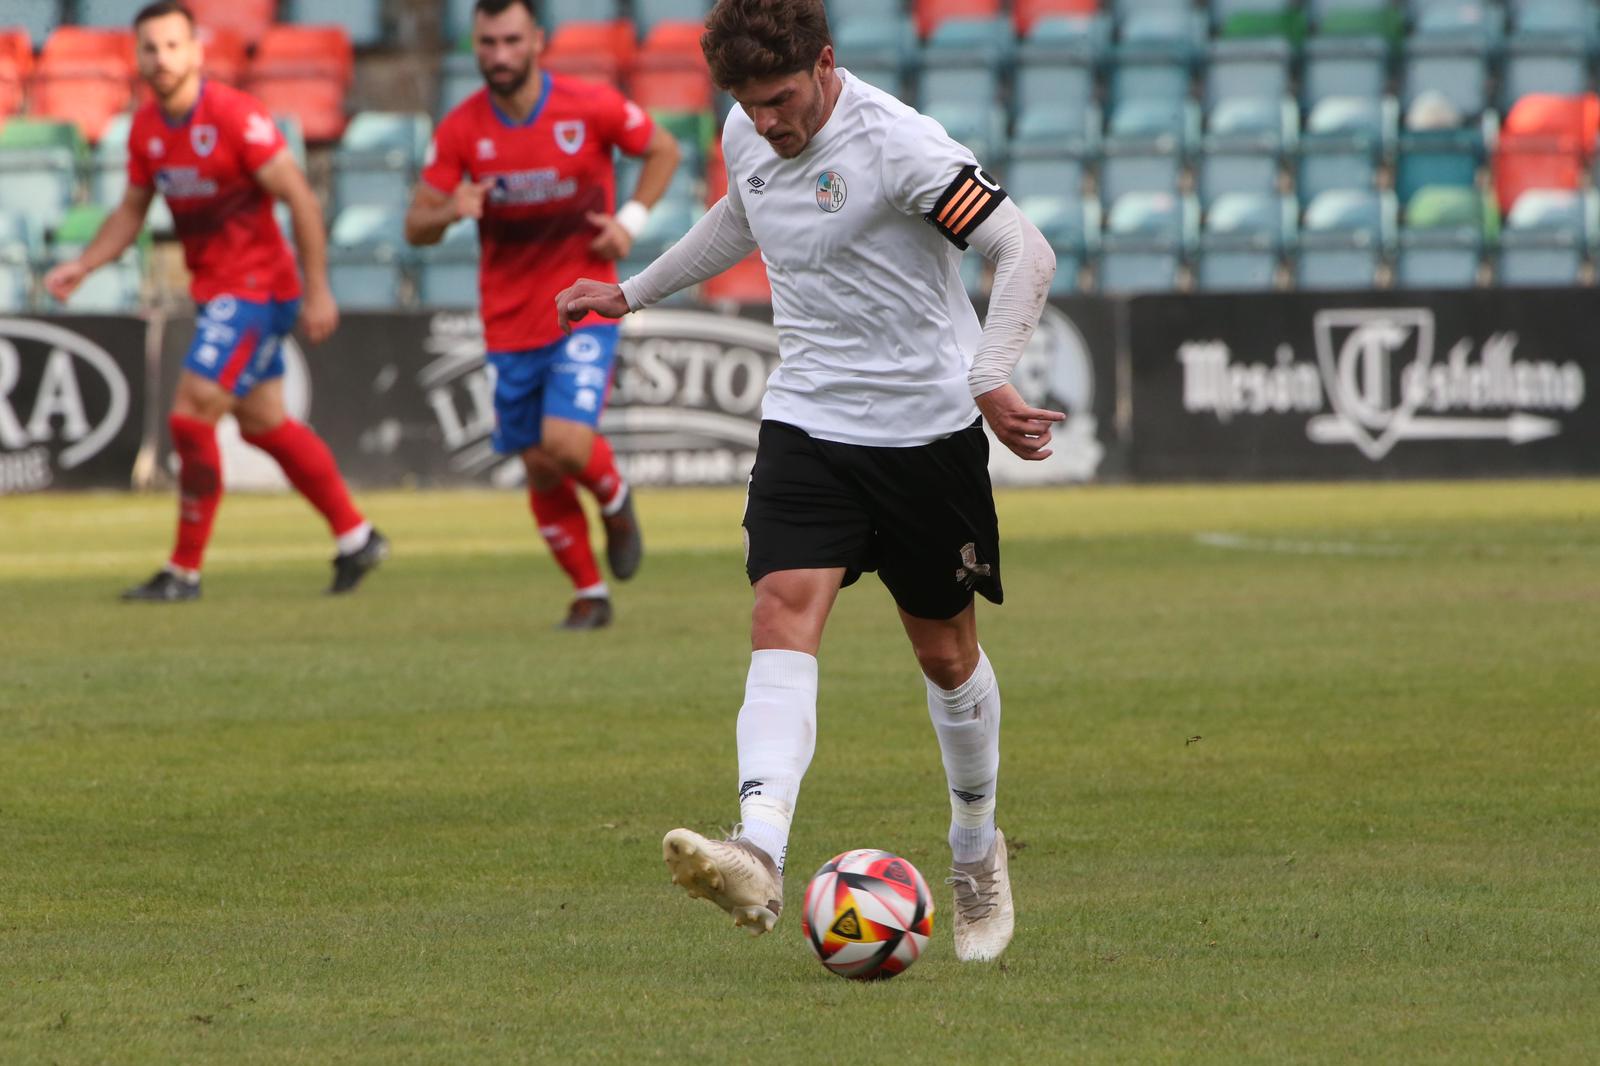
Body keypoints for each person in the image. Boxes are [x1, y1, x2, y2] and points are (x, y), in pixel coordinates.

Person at [557, 0, 1061, 962]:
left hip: (924, 432)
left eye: (783, 99)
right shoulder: (749, 126)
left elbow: (1021, 248)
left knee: (947, 656)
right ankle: (759, 847)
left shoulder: (899, 146)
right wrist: (631, 293)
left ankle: (973, 849)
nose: (769, 121)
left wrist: (991, 374)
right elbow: (739, 216)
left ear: (825, 65)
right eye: (749, 103)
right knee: (781, 609)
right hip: (810, 420)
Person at [45, 0, 388, 602]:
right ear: (138, 57)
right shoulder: (149, 130)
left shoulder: (234, 116)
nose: (162, 58)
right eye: (150, 48)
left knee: (191, 411)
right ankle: (356, 536)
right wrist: (85, 262)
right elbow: (132, 210)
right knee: (263, 425)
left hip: (257, 288)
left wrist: (319, 289)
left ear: (197, 52)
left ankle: (183, 571)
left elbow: (301, 199)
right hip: (219, 292)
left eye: (173, 45)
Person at [405, 0, 680, 631]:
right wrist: (452, 210)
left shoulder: (589, 106)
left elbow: (662, 150)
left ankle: (614, 499)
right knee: (536, 464)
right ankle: (590, 592)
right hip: (507, 321)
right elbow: (414, 224)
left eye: (510, 40)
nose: (498, 56)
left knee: (564, 443)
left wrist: (629, 223)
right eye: (486, 43)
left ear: (537, 41)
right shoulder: (460, 129)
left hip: (583, 303)